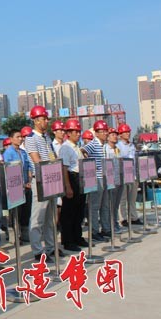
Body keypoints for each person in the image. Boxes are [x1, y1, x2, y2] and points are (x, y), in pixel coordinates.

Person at [24, 105, 60, 261]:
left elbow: (52, 156)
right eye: (43, 119)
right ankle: (38, 251)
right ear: (35, 121)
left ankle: (51, 248)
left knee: (50, 218)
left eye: (46, 119)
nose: (46, 121)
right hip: (40, 180)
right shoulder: (31, 138)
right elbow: (36, 160)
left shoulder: (47, 138)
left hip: (51, 179)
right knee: (38, 218)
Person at [58, 119, 88, 251]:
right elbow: (64, 168)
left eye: (79, 131)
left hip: (79, 178)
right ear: (68, 133)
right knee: (68, 212)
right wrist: (67, 186)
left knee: (79, 211)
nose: (78, 134)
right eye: (75, 131)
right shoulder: (66, 148)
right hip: (71, 178)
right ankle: (68, 240)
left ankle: (77, 237)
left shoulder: (77, 147)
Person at [82, 120, 110, 242]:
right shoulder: (93, 144)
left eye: (105, 131)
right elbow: (82, 151)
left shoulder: (104, 146)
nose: (105, 133)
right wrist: (90, 168)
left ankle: (105, 228)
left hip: (105, 177)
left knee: (105, 205)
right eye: (102, 131)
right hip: (96, 178)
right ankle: (94, 231)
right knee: (94, 206)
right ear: (96, 133)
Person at [3, 129, 32, 245]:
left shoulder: (23, 152)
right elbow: (8, 169)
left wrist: (28, 180)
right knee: (14, 213)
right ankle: (13, 237)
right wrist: (20, 183)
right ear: (11, 139)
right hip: (14, 187)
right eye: (18, 137)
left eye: (21, 137)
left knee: (25, 211)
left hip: (26, 186)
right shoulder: (8, 153)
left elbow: (28, 167)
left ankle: (24, 234)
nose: (21, 139)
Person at [117, 123, 142, 226]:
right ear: (120, 134)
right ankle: (122, 218)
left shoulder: (132, 145)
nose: (128, 134)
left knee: (132, 198)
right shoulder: (118, 146)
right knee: (122, 198)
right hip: (124, 176)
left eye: (128, 132)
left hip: (133, 175)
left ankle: (133, 217)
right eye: (125, 132)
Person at [104, 127, 124, 234]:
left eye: (116, 134)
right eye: (112, 135)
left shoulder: (117, 149)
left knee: (116, 205)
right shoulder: (105, 149)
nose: (115, 136)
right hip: (110, 181)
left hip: (119, 179)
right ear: (107, 137)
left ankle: (115, 223)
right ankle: (109, 225)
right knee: (110, 205)